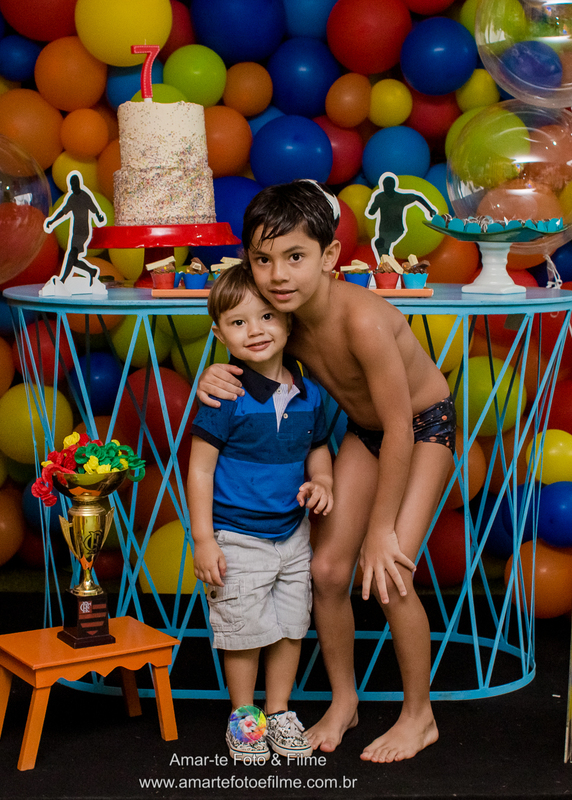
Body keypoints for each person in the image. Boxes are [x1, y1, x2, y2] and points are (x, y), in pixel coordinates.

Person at [196, 181, 455, 763]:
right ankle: (345, 700)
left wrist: (382, 530)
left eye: (295, 257)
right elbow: (243, 350)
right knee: (329, 569)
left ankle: (420, 717)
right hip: (370, 436)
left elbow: (399, 428)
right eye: (263, 260)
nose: (277, 275)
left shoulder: (361, 320)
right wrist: (208, 378)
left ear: (330, 257)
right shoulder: (281, 319)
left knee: (389, 573)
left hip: (420, 428)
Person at [188, 264, 334, 764]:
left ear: (289, 322)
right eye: (238, 322)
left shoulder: (309, 393)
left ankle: (279, 711)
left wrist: (325, 481)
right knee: (245, 630)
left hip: (291, 535)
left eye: (267, 316)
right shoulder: (224, 393)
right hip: (237, 536)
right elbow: (201, 470)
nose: (255, 330)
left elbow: (317, 448)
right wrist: (204, 540)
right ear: (218, 332)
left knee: (291, 626)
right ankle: (244, 715)